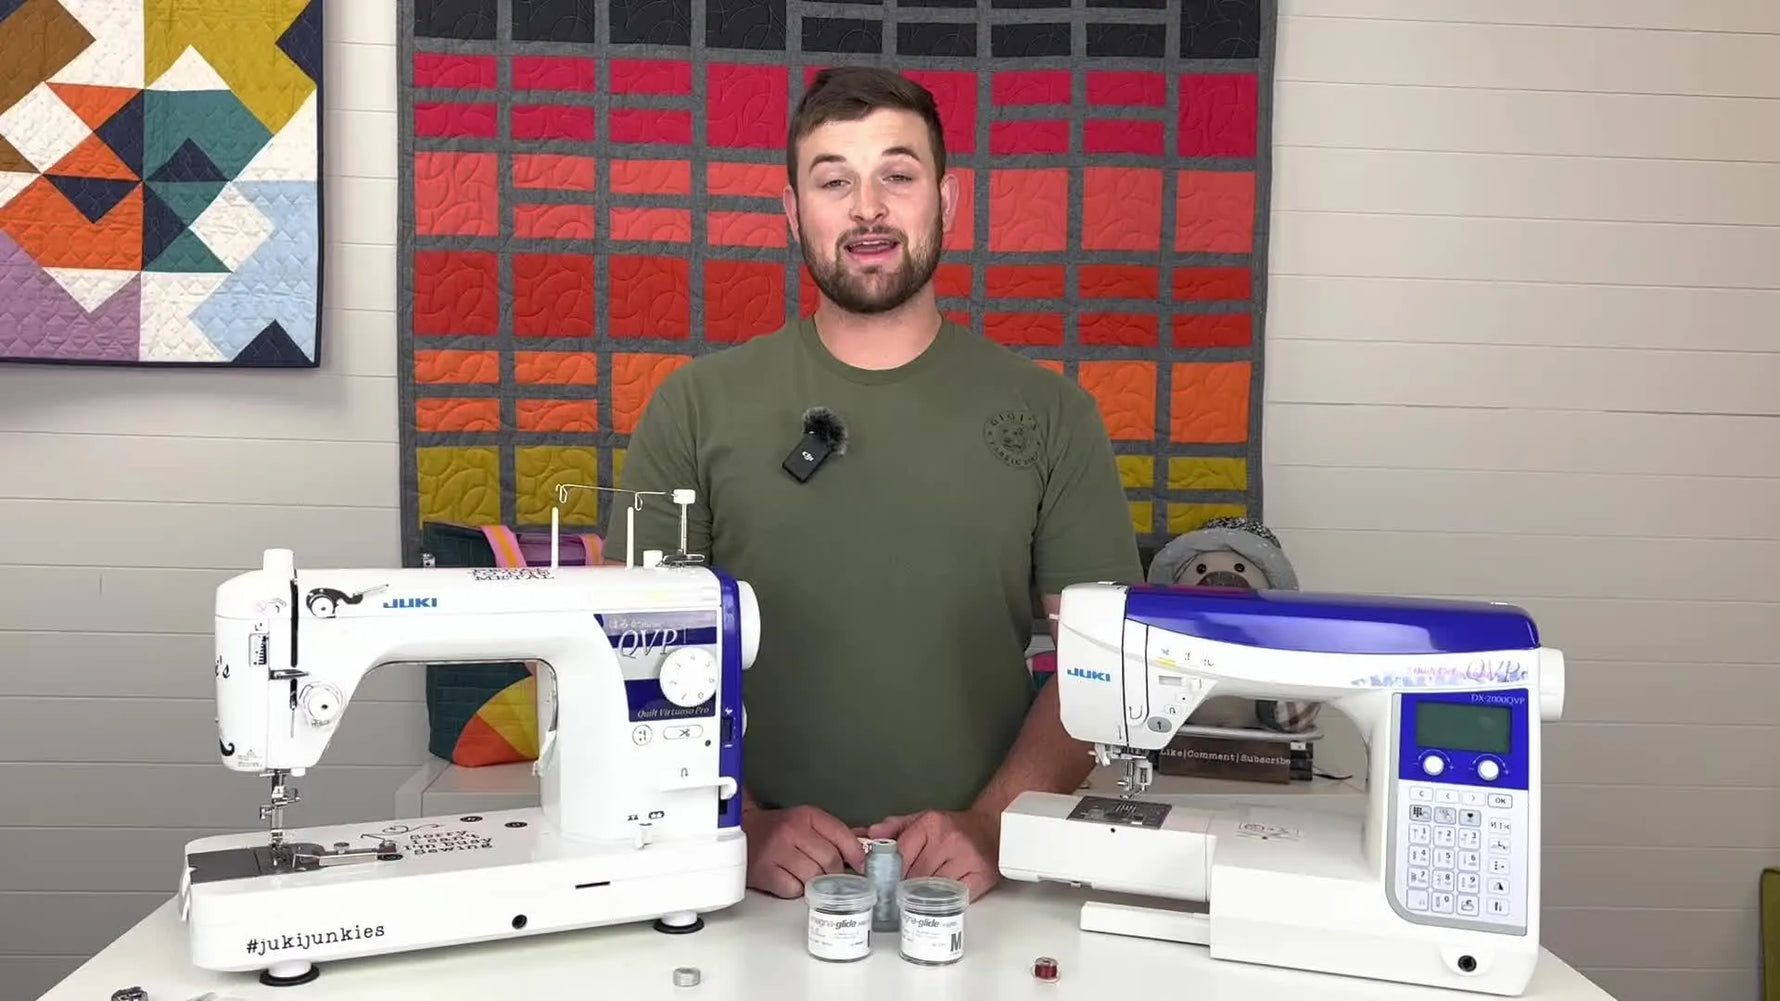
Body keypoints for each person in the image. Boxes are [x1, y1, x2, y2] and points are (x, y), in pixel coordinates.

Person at [603, 66, 1143, 901]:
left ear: (948, 202)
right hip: (742, 886)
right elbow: (633, 648)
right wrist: (735, 825)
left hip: (978, 885)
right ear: (792, 211)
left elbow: (1104, 664)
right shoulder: (691, 407)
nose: (868, 209)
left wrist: (995, 825)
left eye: (897, 174)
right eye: (834, 181)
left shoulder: (1055, 415)